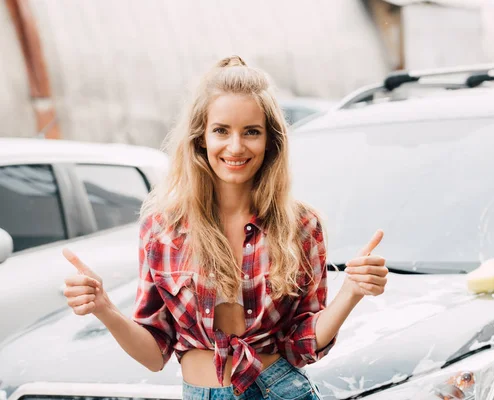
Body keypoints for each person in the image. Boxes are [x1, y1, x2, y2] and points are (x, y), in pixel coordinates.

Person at [61, 55, 388, 400]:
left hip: (282, 391)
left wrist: (351, 292)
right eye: (221, 130)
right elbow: (154, 354)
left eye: (251, 132)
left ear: (270, 141)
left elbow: (303, 345)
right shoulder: (162, 229)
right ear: (201, 137)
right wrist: (104, 309)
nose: (235, 147)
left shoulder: (301, 225)